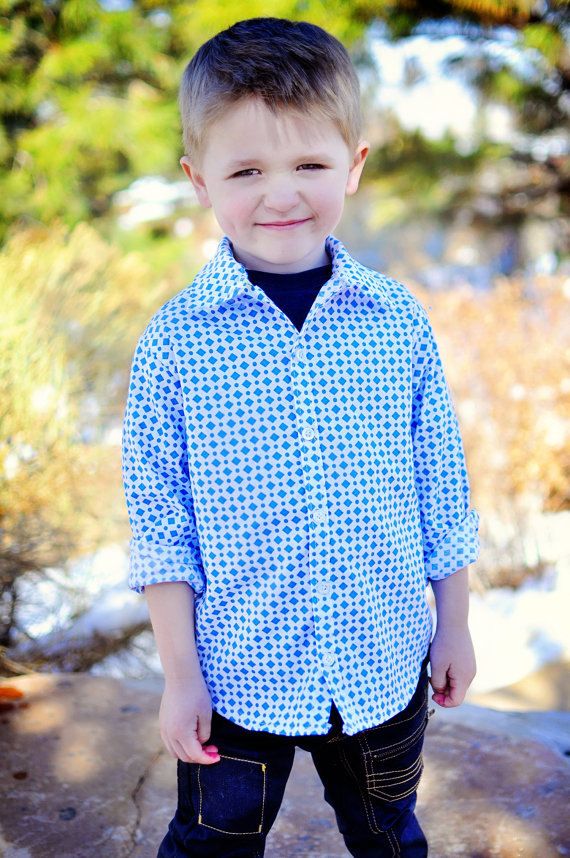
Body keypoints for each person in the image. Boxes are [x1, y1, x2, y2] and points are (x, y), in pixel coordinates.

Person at [121, 16, 480, 858]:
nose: (280, 193)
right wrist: (180, 676)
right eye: (246, 169)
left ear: (353, 166)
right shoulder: (176, 341)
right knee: (210, 843)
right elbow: (159, 520)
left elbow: (442, 480)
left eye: (309, 165)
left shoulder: (397, 321)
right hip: (237, 673)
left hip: (383, 659)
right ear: (198, 180)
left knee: (389, 835)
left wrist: (453, 621)